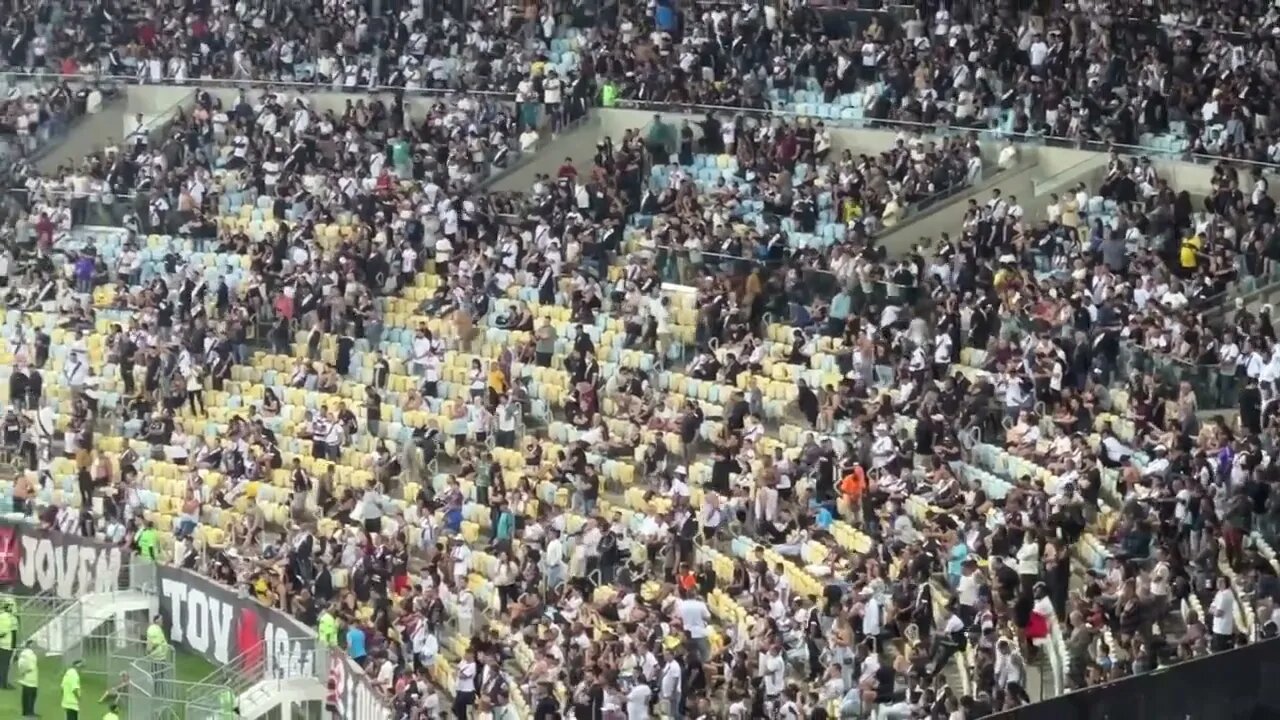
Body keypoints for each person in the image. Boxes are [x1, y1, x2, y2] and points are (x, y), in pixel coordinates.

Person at [16, 639, 36, 719]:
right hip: (28, 678)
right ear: (29, 645)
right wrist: (25, 671)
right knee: (28, 696)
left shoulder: (31, 653)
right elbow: (21, 664)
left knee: (32, 695)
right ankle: (27, 713)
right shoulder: (26, 654)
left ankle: (30, 712)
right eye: (33, 644)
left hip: (33, 679)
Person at [0, 596, 17, 688]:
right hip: (7, 645)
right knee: (5, 665)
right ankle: (4, 683)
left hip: (2, 644)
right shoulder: (11, 618)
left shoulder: (1, 616)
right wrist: (14, 647)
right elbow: (13, 633)